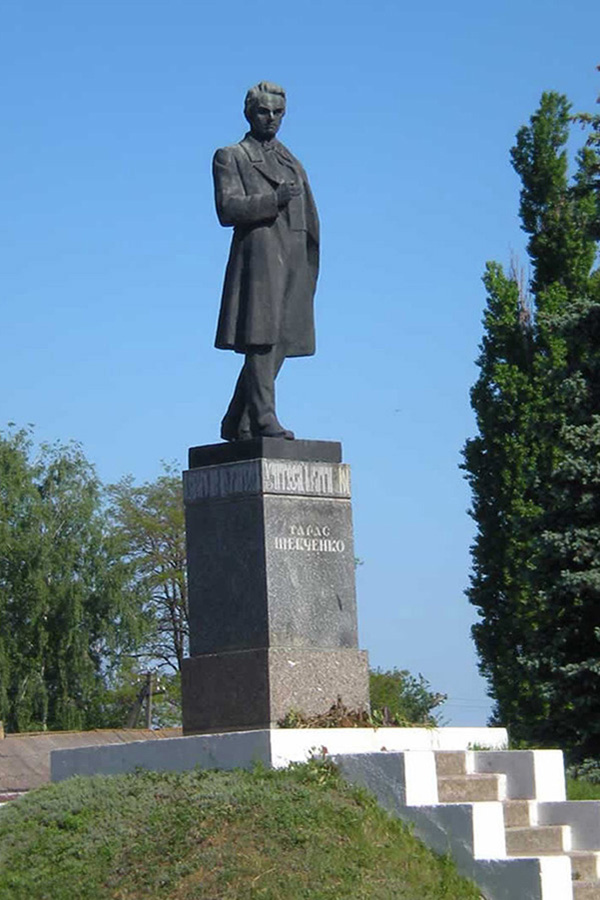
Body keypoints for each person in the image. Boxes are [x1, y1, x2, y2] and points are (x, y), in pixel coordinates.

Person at [212, 81, 320, 441]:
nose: (271, 119)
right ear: (249, 113)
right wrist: (273, 199)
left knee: (282, 339)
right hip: (259, 258)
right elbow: (227, 209)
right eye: (264, 111)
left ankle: (236, 417)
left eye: (278, 113)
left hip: (293, 256)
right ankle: (262, 418)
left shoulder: (292, 160)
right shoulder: (232, 156)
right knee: (261, 338)